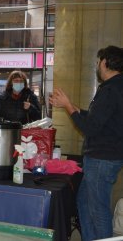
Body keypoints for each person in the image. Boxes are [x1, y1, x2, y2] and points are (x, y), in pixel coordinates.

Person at [50, 45, 123, 241]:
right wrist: (70, 106)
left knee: (98, 210)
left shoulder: (111, 90)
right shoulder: (115, 87)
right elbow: (95, 119)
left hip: (102, 159)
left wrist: (67, 106)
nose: (97, 66)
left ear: (105, 63)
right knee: (83, 202)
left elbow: (90, 128)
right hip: (104, 158)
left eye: (98, 62)